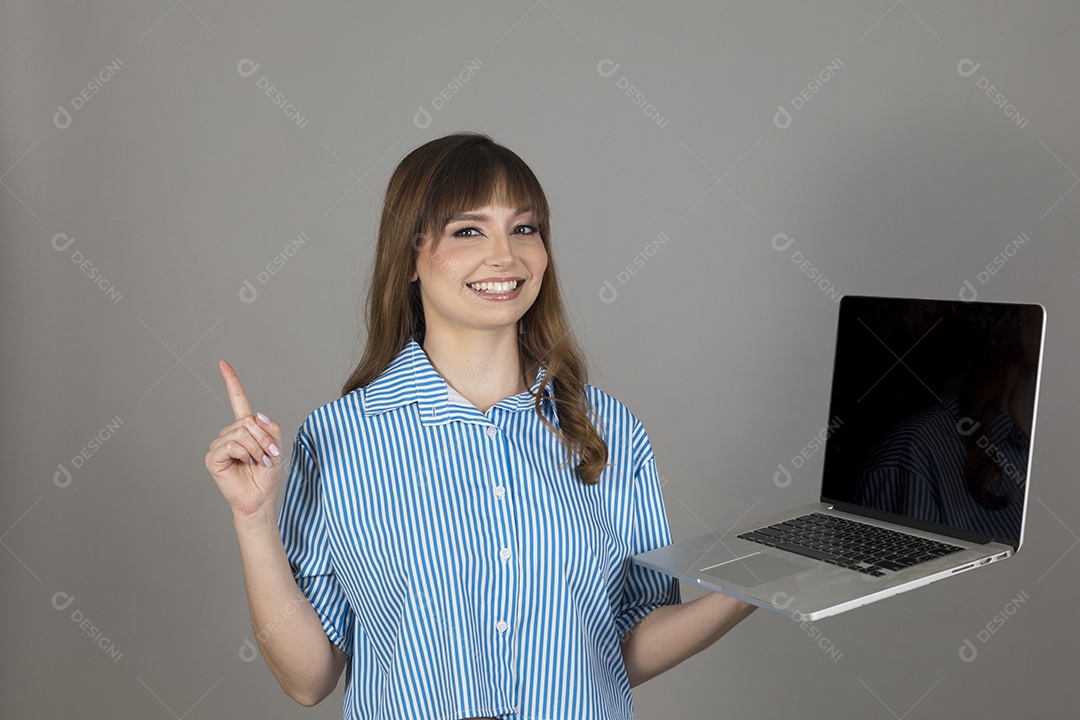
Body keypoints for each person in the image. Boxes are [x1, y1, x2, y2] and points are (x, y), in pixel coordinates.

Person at [205, 132, 755, 719]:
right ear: (410, 257)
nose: (506, 257)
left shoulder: (605, 429)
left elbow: (622, 646)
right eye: (468, 231)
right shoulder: (339, 437)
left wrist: (754, 590)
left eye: (525, 228)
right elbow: (308, 679)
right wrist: (254, 521)